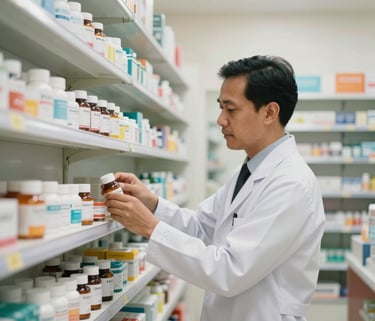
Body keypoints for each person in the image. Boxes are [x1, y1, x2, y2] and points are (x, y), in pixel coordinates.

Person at [104, 55, 325, 321]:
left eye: (231, 110)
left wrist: (150, 227)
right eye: (221, 108)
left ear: (269, 112)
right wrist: (153, 204)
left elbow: (230, 271)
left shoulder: (291, 183)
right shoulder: (247, 171)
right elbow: (203, 228)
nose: (221, 120)